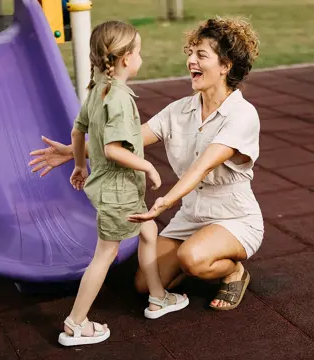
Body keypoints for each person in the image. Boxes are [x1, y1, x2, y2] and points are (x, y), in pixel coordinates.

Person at [29, 16, 263, 312]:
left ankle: (233, 272)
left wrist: (164, 202)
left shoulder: (242, 115)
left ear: (226, 66)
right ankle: (192, 259)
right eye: (190, 53)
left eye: (201, 55)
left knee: (193, 258)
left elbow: (201, 167)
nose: (191, 60)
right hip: (191, 216)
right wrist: (73, 151)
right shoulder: (179, 110)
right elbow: (126, 140)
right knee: (144, 284)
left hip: (233, 218)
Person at [56, 20, 189, 347]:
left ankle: (157, 297)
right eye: (139, 52)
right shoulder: (117, 98)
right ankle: (75, 323)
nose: (141, 57)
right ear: (126, 58)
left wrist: (78, 165)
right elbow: (112, 149)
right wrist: (148, 166)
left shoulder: (96, 88)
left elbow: (78, 132)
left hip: (113, 189)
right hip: (118, 191)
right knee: (105, 254)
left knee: (148, 231)